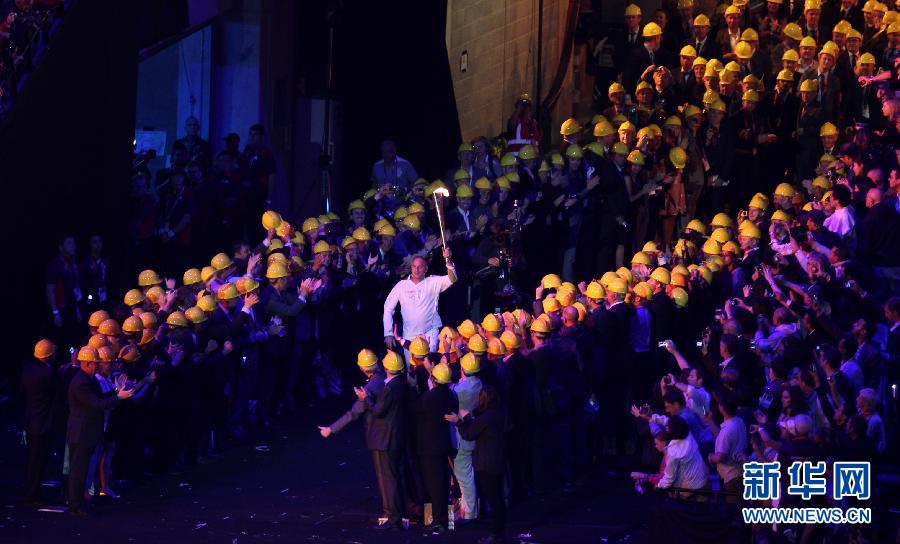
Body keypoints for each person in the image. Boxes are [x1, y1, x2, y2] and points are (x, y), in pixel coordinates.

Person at [66, 347, 133, 515]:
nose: (98, 366)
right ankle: (75, 505)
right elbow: (96, 404)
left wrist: (116, 391)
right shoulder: (81, 382)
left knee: (82, 470)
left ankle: (79, 503)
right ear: (88, 363)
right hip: (81, 433)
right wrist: (118, 397)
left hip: (87, 432)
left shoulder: (88, 379)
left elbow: (100, 397)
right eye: (96, 363)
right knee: (78, 471)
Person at [448, 385, 509, 544]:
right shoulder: (500, 413)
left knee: (493, 499)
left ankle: (495, 534)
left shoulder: (486, 417)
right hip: (499, 459)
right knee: (498, 498)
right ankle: (499, 531)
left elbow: (469, 434)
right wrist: (468, 418)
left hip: (487, 462)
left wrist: (459, 421)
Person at [358, 350, 409, 530]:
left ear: (386, 368)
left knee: (389, 480)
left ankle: (393, 519)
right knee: (396, 477)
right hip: (398, 437)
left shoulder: (390, 389)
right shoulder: (403, 384)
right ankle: (400, 514)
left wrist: (366, 398)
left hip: (387, 439)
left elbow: (378, 411)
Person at [412, 362, 458, 533]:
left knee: (434, 485)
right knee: (443, 483)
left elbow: (415, 412)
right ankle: (444, 520)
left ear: (433, 378)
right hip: (444, 443)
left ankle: (439, 521)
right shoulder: (452, 395)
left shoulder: (427, 397)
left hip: (429, 447)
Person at [383, 249, 456, 354]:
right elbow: (388, 308)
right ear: (411, 268)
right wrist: (388, 333)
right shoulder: (401, 285)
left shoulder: (433, 282)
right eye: (414, 266)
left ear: (426, 268)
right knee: (411, 364)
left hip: (429, 333)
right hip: (409, 336)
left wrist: (448, 260)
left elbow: (452, 279)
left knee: (429, 363)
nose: (416, 270)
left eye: (420, 267)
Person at [22, 339, 57, 507]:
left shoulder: (28, 369)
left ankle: (32, 493)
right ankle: (32, 496)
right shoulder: (48, 374)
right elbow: (57, 391)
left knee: (33, 460)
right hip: (43, 423)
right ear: (49, 355)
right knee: (38, 461)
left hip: (32, 420)